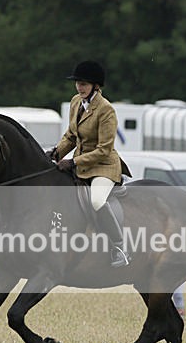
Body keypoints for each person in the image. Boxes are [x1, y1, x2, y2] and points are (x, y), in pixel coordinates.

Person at [49, 60, 132, 267]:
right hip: (81, 164)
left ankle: (120, 247)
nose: (79, 87)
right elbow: (71, 136)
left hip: (103, 166)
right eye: (77, 82)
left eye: (84, 84)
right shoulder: (76, 102)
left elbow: (104, 150)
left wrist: (73, 162)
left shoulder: (106, 110)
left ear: (96, 85)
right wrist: (56, 152)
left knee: (96, 201)